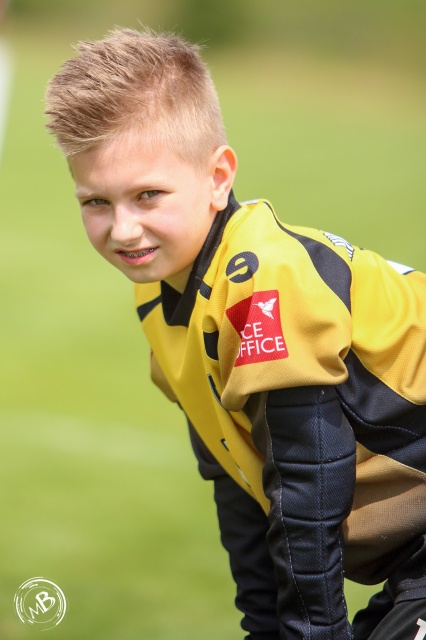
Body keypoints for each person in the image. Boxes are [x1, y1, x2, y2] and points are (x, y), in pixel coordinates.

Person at [44, 27, 426, 640]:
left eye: (148, 195)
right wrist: (264, 626)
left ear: (219, 176)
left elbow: (307, 487)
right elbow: (238, 476)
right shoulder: (160, 297)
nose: (123, 229)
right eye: (96, 202)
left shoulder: (266, 280)